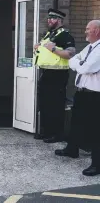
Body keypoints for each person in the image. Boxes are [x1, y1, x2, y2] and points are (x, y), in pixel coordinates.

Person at [55, 20, 100, 176]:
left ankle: (97, 164)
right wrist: (80, 63)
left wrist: (80, 64)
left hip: (95, 95)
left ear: (97, 31)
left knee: (96, 130)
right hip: (82, 92)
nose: (85, 32)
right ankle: (72, 149)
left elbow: (87, 67)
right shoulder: (90, 47)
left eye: (88, 29)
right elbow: (72, 60)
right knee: (76, 122)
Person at [33, 9, 76, 143]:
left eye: (52, 18)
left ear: (59, 20)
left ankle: (57, 134)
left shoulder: (64, 35)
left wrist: (53, 48)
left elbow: (70, 54)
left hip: (58, 75)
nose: (49, 20)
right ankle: (47, 131)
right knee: (45, 104)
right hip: (46, 72)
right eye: (48, 18)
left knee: (55, 105)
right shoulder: (49, 34)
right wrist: (37, 47)